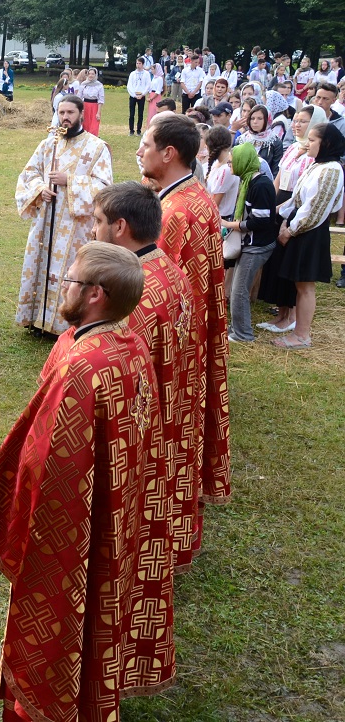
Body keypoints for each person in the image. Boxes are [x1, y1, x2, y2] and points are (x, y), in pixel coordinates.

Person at [0, 241, 168, 722]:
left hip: (74, 528)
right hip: (114, 514)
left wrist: (17, 522)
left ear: (95, 294)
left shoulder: (82, 367)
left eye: (70, 280)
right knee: (97, 606)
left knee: (60, 614)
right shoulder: (131, 344)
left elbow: (45, 465)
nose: (62, 285)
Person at [92, 181, 199, 571]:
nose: (93, 230)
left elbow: (113, 373)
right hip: (169, 414)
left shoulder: (131, 294)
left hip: (137, 431)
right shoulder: (169, 269)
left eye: (98, 221)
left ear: (120, 227)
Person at [138, 115, 232, 521]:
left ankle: (164, 504)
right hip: (197, 332)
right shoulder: (195, 194)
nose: (139, 152)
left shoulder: (175, 212)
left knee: (168, 426)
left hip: (175, 342)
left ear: (168, 153)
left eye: (146, 145)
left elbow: (157, 287)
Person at [14, 95, 114, 335]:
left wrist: (69, 180)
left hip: (75, 227)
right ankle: (37, 319)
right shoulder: (48, 145)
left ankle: (62, 324)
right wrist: (40, 189)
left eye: (70, 113)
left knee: (71, 272)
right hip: (45, 222)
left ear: (81, 114)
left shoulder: (96, 147)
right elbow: (28, 174)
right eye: (61, 113)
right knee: (41, 265)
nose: (65, 118)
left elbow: (104, 187)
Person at [272, 123, 344, 346]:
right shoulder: (317, 165)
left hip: (310, 232)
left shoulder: (332, 169)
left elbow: (316, 208)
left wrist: (290, 230)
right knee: (299, 284)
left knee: (305, 285)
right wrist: (281, 215)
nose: (307, 144)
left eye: (312, 140)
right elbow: (297, 199)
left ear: (326, 143)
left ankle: (302, 335)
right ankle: (298, 332)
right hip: (301, 228)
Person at [259, 106, 326, 330]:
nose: (296, 125)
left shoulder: (316, 157)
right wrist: (270, 203)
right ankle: (282, 312)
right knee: (277, 260)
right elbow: (279, 178)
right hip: (281, 204)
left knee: (290, 263)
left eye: (303, 121)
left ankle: (292, 316)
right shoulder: (293, 148)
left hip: (295, 207)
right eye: (295, 120)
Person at [220, 143, 278, 343]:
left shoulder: (260, 186)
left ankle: (243, 334)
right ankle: (237, 327)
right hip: (249, 244)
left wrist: (230, 224)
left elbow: (261, 221)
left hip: (257, 246)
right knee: (237, 289)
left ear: (242, 162)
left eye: (231, 162)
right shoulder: (248, 181)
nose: (229, 165)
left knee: (239, 291)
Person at [75, 68, 105, 135]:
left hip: (95, 106)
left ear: (95, 75)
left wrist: (98, 112)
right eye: (89, 74)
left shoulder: (99, 85)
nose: (91, 75)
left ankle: (93, 138)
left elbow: (101, 99)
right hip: (85, 106)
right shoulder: (84, 84)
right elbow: (79, 97)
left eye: (92, 74)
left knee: (94, 126)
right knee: (85, 124)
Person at [127, 57, 151, 135]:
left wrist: (143, 94)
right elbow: (129, 85)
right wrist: (133, 95)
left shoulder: (146, 74)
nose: (138, 65)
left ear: (143, 64)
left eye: (139, 63)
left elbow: (148, 85)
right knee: (131, 114)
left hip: (141, 95)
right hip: (133, 95)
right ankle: (131, 130)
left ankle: (139, 130)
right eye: (137, 63)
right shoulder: (132, 74)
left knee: (140, 114)